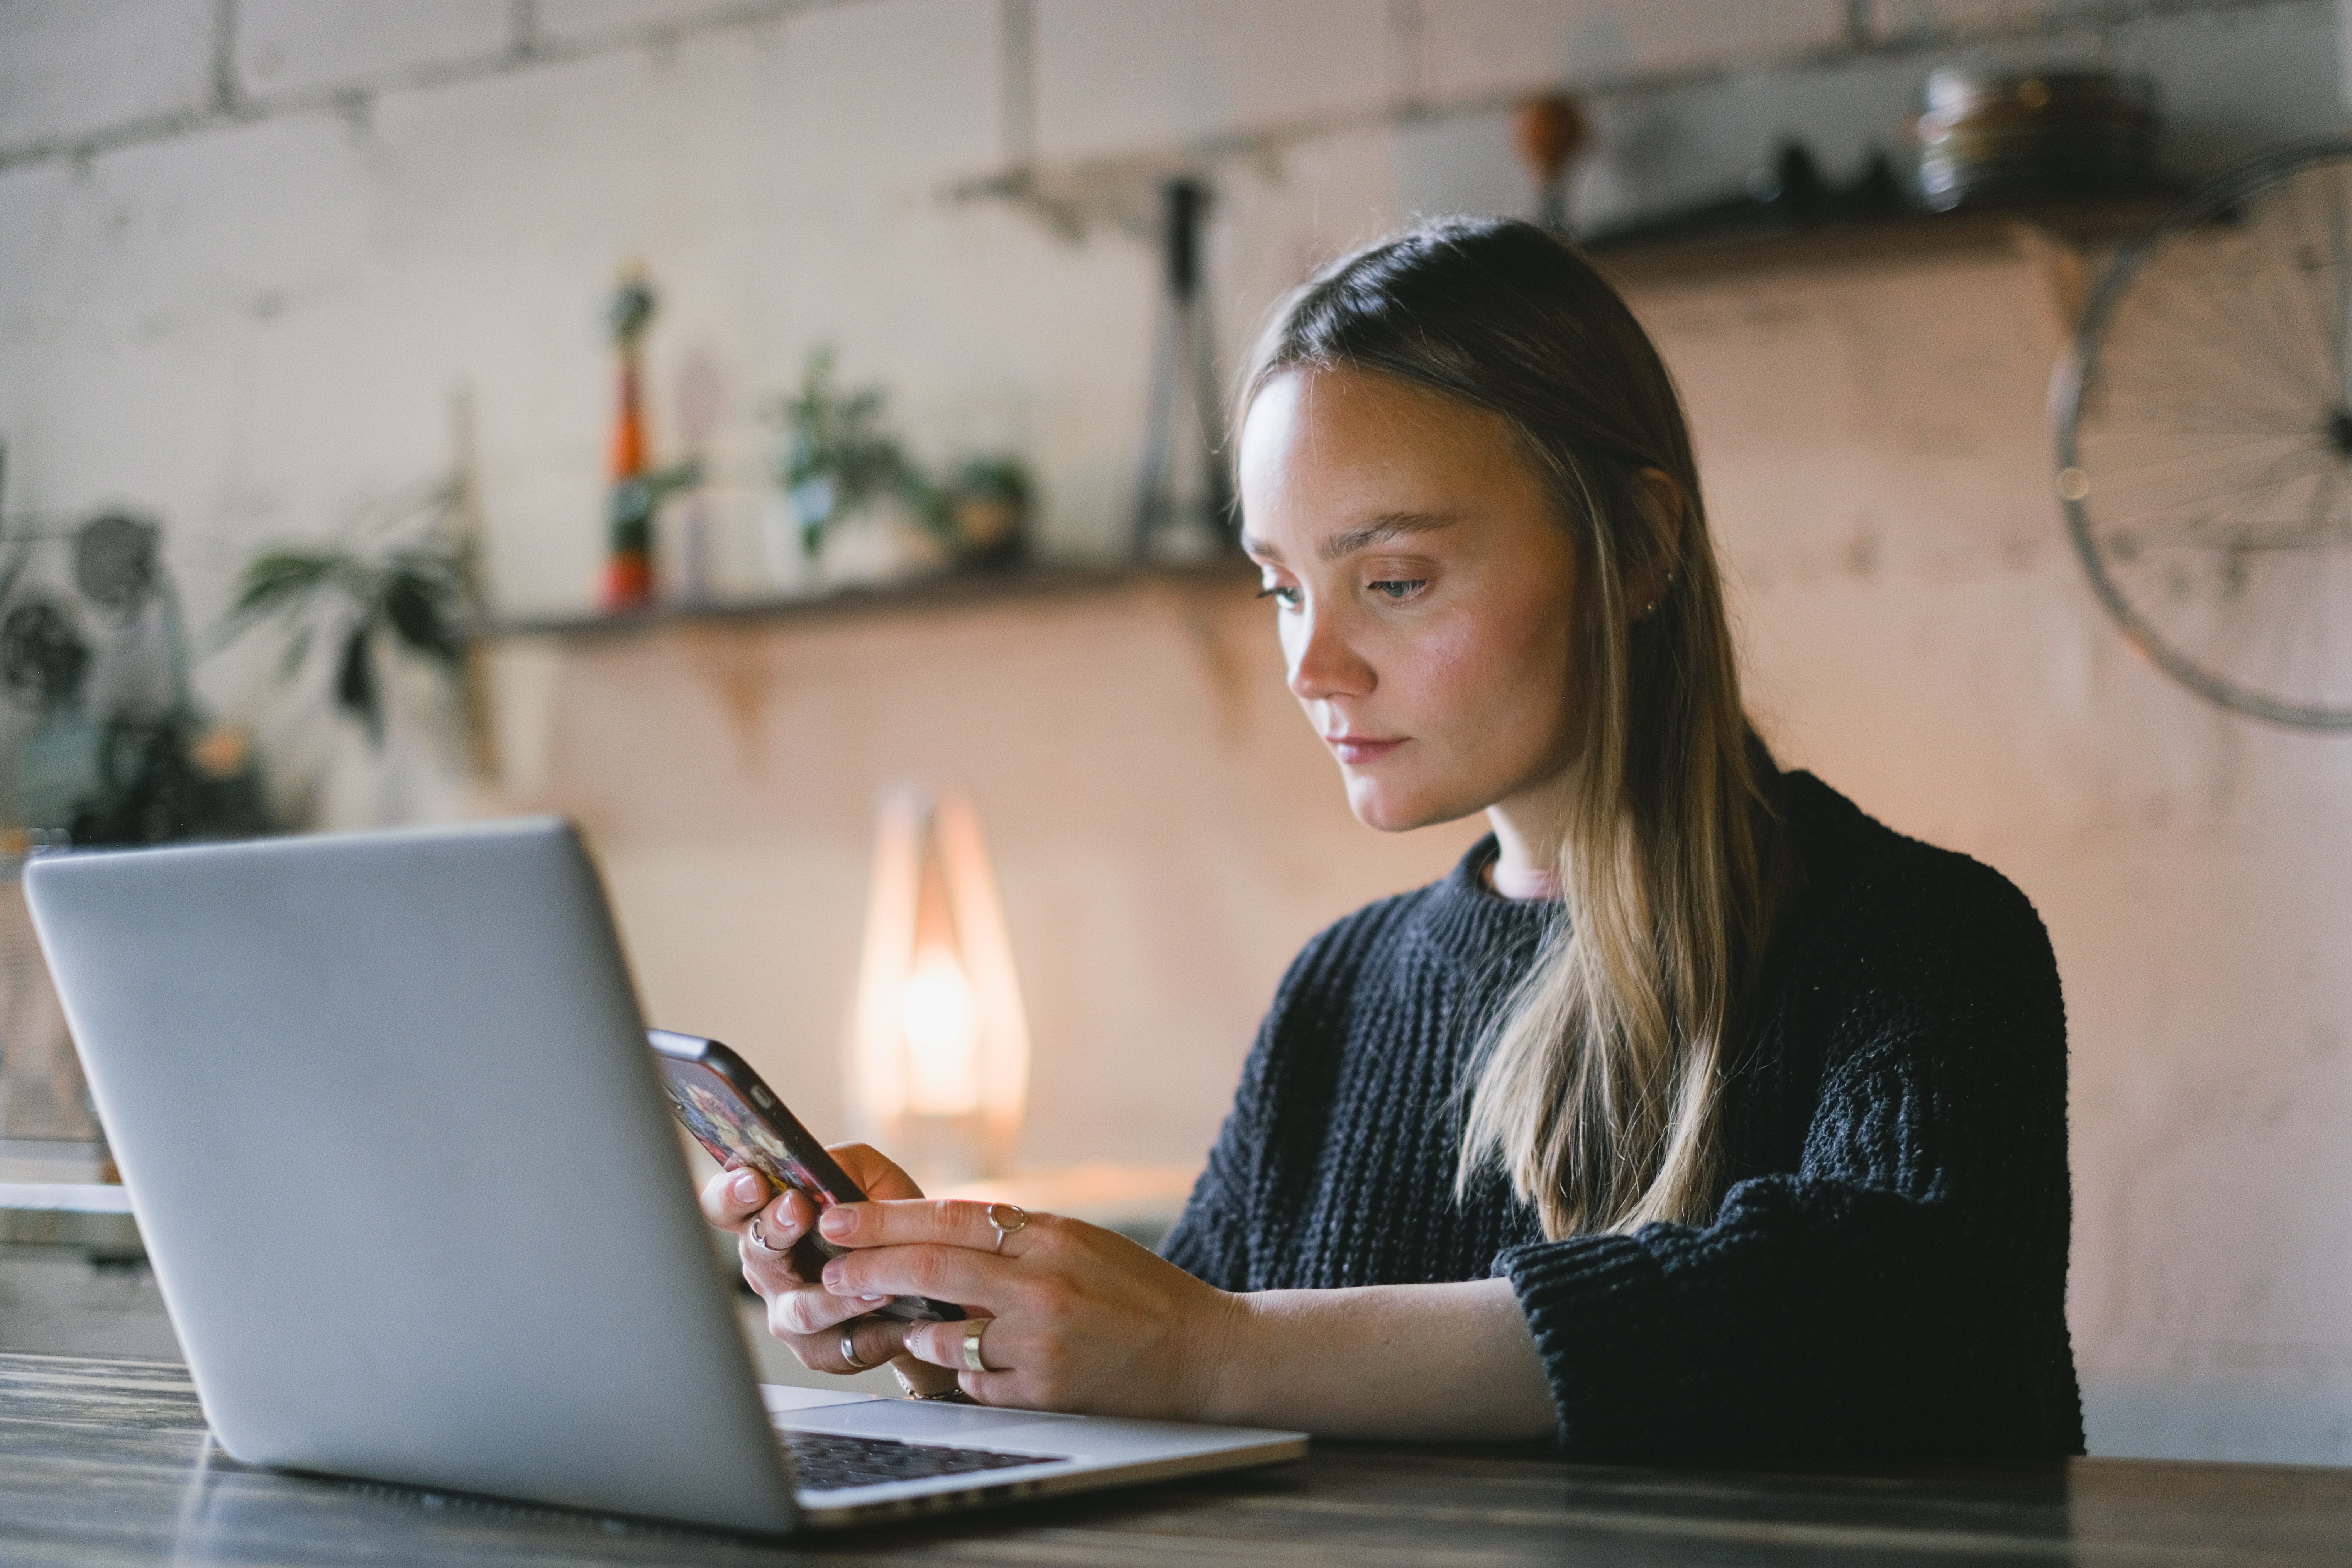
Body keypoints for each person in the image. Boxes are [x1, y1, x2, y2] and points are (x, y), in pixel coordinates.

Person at [702, 218, 2083, 1462]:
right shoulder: (1341, 991)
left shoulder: (1919, 941)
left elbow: (1892, 1320)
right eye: (1284, 588)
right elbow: (1173, 1397)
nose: (1315, 664)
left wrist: (1216, 1350)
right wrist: (955, 1319)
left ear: (1644, 543)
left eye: (1396, 580)